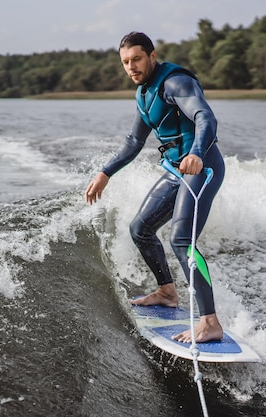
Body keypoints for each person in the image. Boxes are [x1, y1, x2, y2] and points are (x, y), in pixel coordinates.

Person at [84, 31, 225, 343]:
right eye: (125, 62)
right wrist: (105, 173)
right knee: (141, 228)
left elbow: (205, 117)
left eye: (136, 59)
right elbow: (135, 141)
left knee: (181, 241)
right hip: (176, 171)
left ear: (152, 56)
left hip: (203, 168)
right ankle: (166, 292)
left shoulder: (175, 83)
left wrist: (197, 154)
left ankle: (210, 322)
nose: (131, 66)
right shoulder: (144, 93)